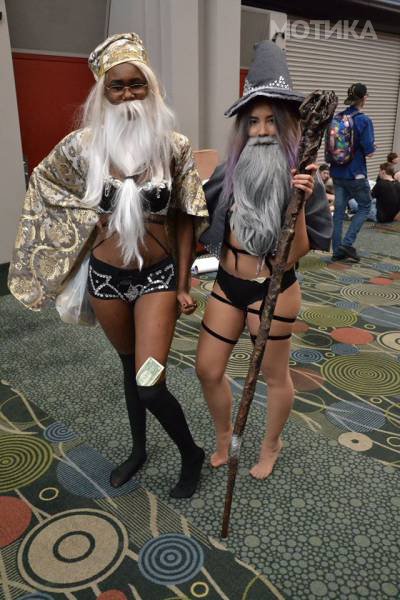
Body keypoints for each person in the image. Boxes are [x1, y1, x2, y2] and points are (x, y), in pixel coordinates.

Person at [8, 33, 209, 498]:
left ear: (150, 87)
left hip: (157, 279)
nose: (128, 95)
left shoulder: (173, 146)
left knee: (150, 383)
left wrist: (183, 283)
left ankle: (191, 453)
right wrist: (85, 219)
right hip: (106, 279)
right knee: (128, 367)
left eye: (137, 84)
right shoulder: (82, 147)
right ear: (103, 92)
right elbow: (43, 184)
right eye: (117, 86)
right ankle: (138, 450)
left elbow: (186, 217)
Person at [195, 41, 332, 479]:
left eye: (272, 120)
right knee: (207, 368)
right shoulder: (228, 172)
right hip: (227, 283)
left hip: (274, 287)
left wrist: (299, 202)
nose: (262, 130)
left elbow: (298, 253)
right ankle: (224, 437)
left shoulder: (305, 176)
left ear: (288, 122)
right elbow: (199, 220)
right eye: (253, 121)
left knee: (274, 376)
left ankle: (271, 444)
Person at [329, 83, 375, 262]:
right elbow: (369, 151)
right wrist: (371, 148)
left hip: (337, 173)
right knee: (365, 206)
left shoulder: (337, 117)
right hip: (356, 173)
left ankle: (336, 251)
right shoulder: (364, 120)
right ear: (364, 98)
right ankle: (347, 243)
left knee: (339, 213)